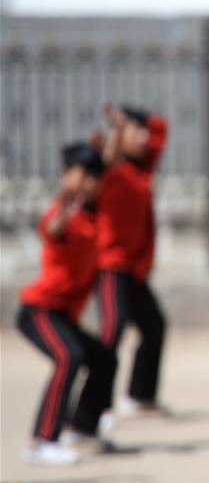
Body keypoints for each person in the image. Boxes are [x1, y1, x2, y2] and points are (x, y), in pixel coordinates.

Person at [17, 143, 117, 465]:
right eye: (81, 175)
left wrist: (111, 145)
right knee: (67, 357)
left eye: (94, 177)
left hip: (64, 315)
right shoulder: (63, 212)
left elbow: (113, 169)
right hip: (39, 311)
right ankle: (43, 440)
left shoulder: (94, 214)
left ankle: (82, 427)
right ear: (65, 177)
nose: (88, 183)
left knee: (103, 359)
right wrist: (65, 212)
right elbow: (52, 228)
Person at [93, 103, 169, 416]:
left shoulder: (143, 168)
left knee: (154, 326)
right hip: (111, 266)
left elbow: (162, 129)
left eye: (143, 132)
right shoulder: (113, 170)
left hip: (135, 269)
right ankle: (96, 406)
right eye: (135, 132)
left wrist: (133, 118)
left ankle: (139, 396)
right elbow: (108, 159)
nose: (142, 137)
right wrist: (117, 129)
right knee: (112, 333)